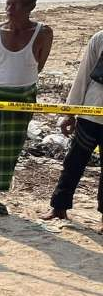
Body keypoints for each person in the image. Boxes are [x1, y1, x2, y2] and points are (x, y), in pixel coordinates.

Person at [0, 0, 53, 215]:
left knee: (9, 149)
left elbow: (38, 66)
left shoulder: (43, 33)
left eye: (16, 4)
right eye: (8, 3)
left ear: (30, 6)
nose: (9, 8)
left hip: (23, 95)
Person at [41, 29, 103, 233]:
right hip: (90, 114)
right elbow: (83, 74)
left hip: (91, 113)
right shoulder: (100, 38)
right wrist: (70, 111)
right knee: (73, 162)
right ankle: (59, 207)